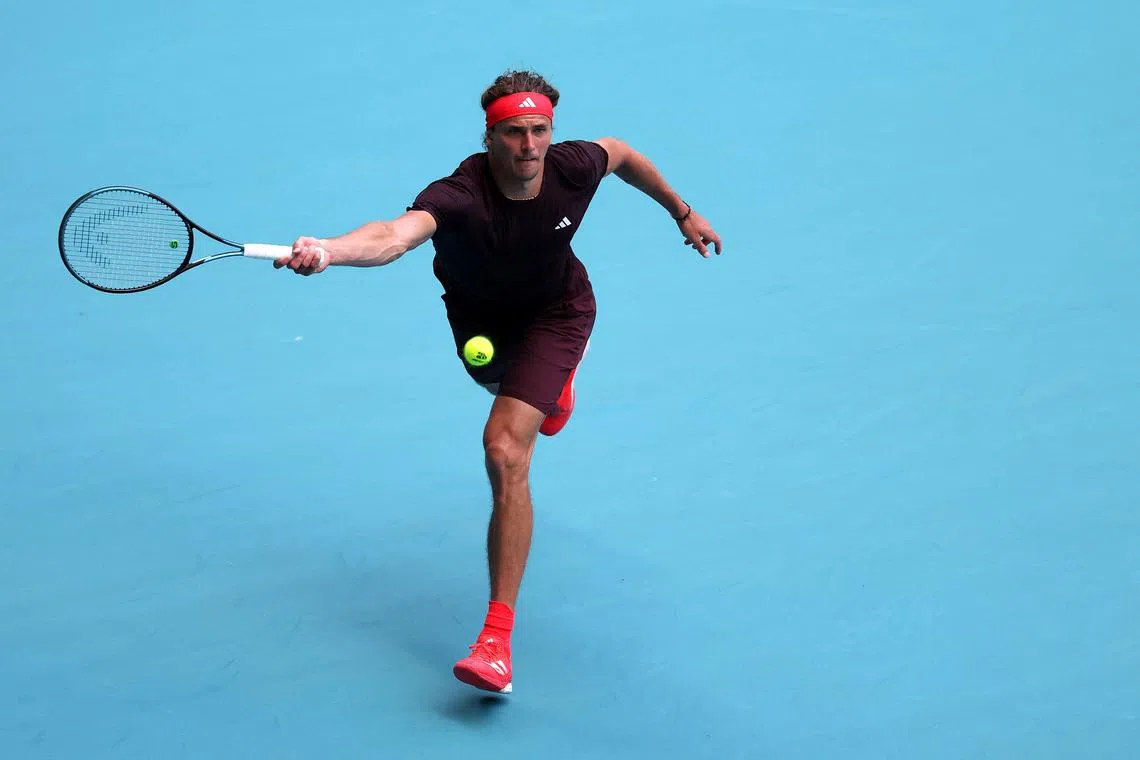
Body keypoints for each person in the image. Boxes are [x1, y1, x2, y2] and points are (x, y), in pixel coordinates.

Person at [274, 69, 722, 695]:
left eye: (540, 130)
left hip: (558, 314)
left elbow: (621, 152)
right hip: (481, 329)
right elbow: (391, 237)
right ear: (490, 137)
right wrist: (328, 248)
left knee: (505, 449)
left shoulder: (572, 166)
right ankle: (546, 395)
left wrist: (683, 211)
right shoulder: (457, 195)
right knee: (502, 389)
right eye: (514, 133)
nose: (530, 146)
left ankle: (495, 641)